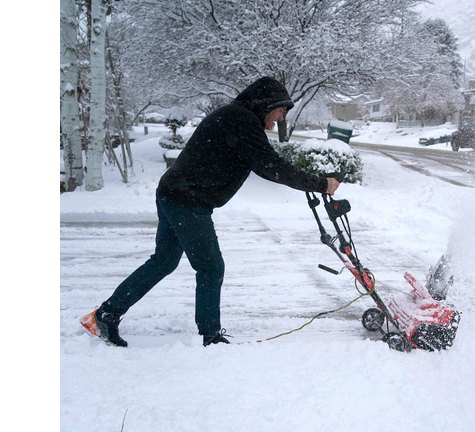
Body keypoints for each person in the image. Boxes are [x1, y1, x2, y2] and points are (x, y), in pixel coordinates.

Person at [80, 77, 340, 347]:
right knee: (211, 267)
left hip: (174, 193)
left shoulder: (238, 117)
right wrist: (320, 183)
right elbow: (271, 166)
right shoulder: (242, 121)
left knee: (164, 262)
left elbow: (269, 163)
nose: (281, 118)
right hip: (187, 201)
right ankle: (210, 335)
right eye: (280, 110)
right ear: (267, 105)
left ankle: (106, 314)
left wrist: (313, 180)